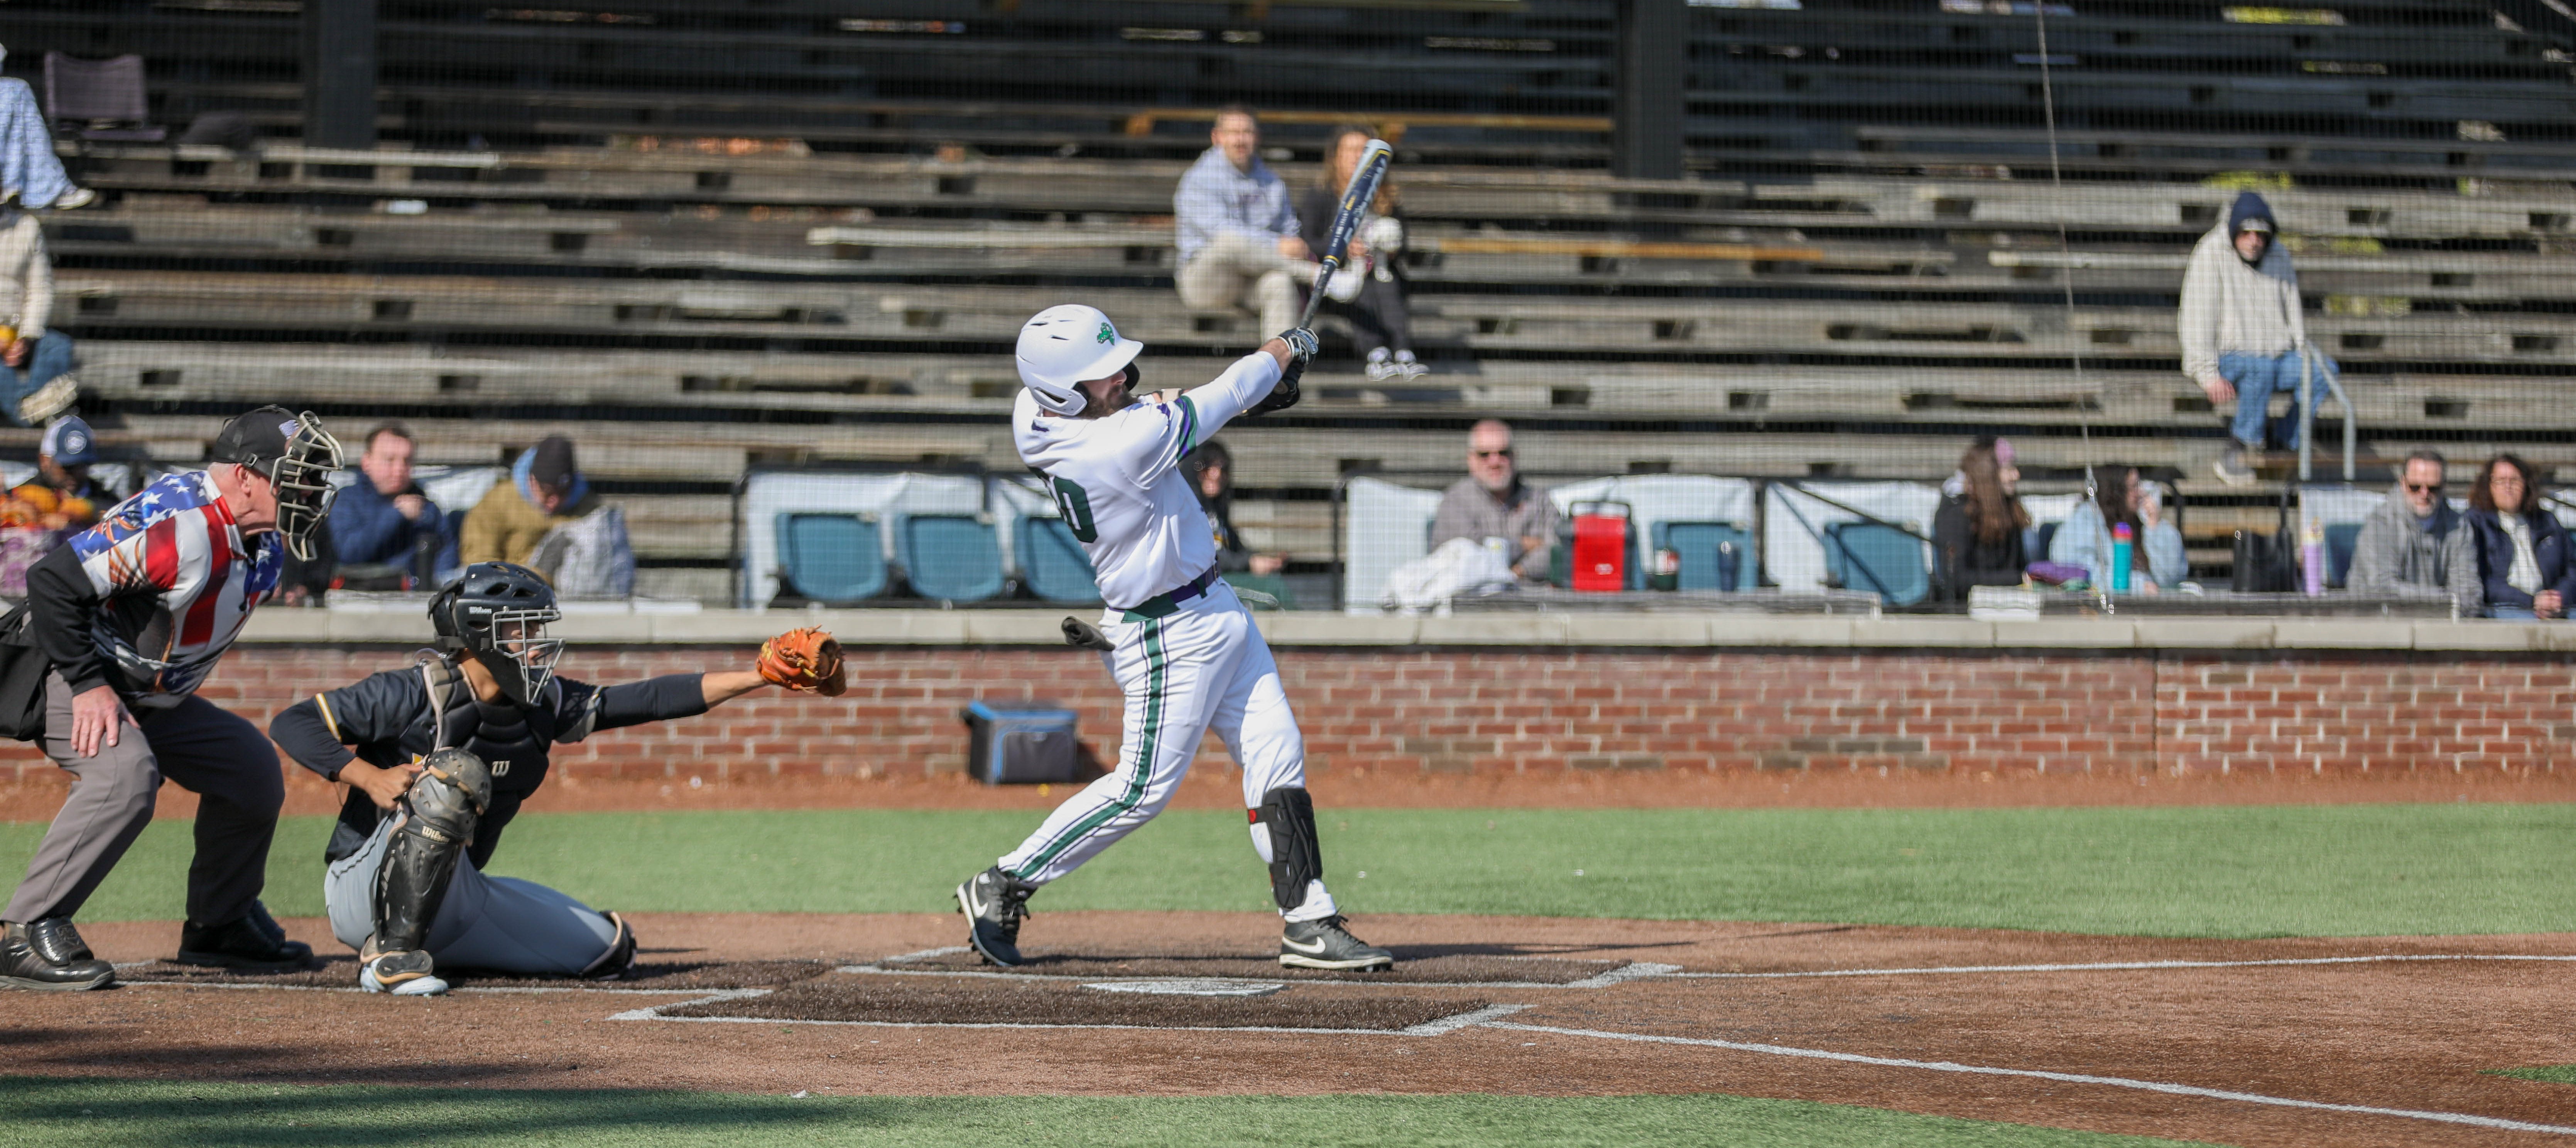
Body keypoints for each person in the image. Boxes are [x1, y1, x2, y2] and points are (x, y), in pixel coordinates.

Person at [956, 304, 1393, 972]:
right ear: (1064, 391)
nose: (1123, 377)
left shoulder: (1040, 415)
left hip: (1215, 607)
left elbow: (1164, 402)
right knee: (1141, 789)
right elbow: (1225, 394)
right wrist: (1285, 347)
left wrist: (1254, 380)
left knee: (1277, 751)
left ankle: (1307, 917)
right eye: (1103, 375)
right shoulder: (1116, 445)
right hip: (1167, 633)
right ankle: (1003, 882)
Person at [268, 564, 846, 995]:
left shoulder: (540, 700)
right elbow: (291, 722)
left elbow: (642, 700)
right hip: (360, 889)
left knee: (608, 952)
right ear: (481, 636)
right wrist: (367, 776)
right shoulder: (412, 690)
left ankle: (430, 945)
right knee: (453, 775)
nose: (537, 643)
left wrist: (757, 676)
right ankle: (388, 959)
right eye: (523, 630)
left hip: (456, 895)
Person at [0, 407, 343, 991]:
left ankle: (219, 922)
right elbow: (53, 581)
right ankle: (26, 928)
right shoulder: (180, 521)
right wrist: (88, 686)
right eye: (296, 474)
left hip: (144, 692)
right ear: (244, 475)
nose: (309, 490)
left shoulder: (265, 535)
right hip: (67, 668)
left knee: (250, 770)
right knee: (126, 775)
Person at [2181, 191, 2336, 486]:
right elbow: (2195, 317)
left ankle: (2284, 441)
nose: (2254, 241)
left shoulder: (2279, 254)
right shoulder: (2210, 252)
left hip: (2277, 356)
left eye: (2260, 234)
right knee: (2259, 368)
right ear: (2234, 231)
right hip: (2230, 358)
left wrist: (2301, 348)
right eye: (2247, 233)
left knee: (2324, 371)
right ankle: (2238, 448)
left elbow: (2292, 308)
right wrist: (2206, 374)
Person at [1173, 106, 1319, 338]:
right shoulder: (1199, 179)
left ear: (1257, 137)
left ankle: (1279, 371)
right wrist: (1276, 244)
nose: (1240, 140)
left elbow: (1288, 228)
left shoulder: (1271, 181)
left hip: (1252, 280)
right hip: (1208, 282)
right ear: (1217, 137)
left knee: (1280, 283)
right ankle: (1315, 276)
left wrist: (1293, 243)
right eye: (1233, 133)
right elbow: (1220, 234)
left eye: (1247, 132)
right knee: (1229, 241)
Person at [1297, 124, 1420, 381]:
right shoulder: (1319, 196)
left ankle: (1403, 352)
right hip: (1335, 279)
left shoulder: (1385, 198)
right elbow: (1307, 243)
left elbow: (1404, 246)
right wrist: (1342, 247)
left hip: (1379, 273)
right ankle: (1375, 353)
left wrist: (1392, 248)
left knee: (1386, 283)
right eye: (1350, 150)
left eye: (1363, 151)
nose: (1357, 157)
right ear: (1336, 157)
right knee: (1361, 284)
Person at [459, 435, 633, 598]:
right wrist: (526, 583)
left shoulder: (589, 510)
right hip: (508, 596)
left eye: (562, 492)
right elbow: (480, 559)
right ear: (532, 480)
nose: (555, 501)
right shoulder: (500, 501)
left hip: (568, 599)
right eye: (547, 491)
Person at [1430, 419, 1560, 583]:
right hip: (1471, 600)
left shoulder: (1539, 500)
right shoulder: (1455, 500)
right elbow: (1460, 554)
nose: (1495, 462)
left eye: (1503, 453)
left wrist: (1518, 573)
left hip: (1533, 598)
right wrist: (1523, 544)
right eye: (1485, 455)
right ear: (1471, 459)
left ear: (1514, 456)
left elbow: (1558, 550)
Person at [2447, 454, 2573, 620]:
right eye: (2500, 480)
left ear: (2527, 485)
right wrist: (2532, 601)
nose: (2508, 486)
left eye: (2515, 480)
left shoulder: (2547, 521)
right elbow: (2482, 580)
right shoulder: (2475, 523)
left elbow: (2573, 568)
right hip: (2504, 608)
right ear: (2489, 486)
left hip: (2556, 607)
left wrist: (2558, 598)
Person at [329, 422, 444, 588]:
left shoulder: (427, 508)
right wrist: (397, 515)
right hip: (359, 597)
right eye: (389, 460)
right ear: (367, 462)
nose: (399, 469)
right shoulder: (346, 500)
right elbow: (349, 553)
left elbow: (447, 554)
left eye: (407, 461)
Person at [0, 195, 78, 428]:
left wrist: (27, 336)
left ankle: (32, 403)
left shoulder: (28, 227)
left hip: (16, 329)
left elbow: (41, 288)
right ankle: (27, 412)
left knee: (58, 345)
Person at [2049, 467, 2186, 593]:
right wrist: (2137, 586)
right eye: (2134, 487)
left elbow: (2171, 578)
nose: (2141, 493)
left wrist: (2156, 528)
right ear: (2116, 491)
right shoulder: (2083, 522)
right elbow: (2078, 574)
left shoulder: (2137, 524)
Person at [2349, 449, 2459, 599]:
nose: (2424, 494)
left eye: (2433, 488)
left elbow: (2469, 589)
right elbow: (2383, 589)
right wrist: (2444, 598)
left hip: (2440, 619)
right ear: (2403, 483)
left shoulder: (2459, 526)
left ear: (2444, 487)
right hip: (2379, 618)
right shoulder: (2379, 524)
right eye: (2415, 487)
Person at [1932, 436, 2029, 603]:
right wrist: (2017, 579)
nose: (2016, 475)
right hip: (1967, 612)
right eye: (2009, 469)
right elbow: (1957, 580)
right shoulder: (1957, 514)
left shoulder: (2012, 513)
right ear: (1988, 474)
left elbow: (2019, 566)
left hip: (2011, 606)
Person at [1182, 440, 1284, 579]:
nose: (1216, 475)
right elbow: (1199, 556)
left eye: (1222, 469)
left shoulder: (1217, 509)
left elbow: (1234, 546)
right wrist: (1247, 563)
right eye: (1206, 469)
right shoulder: (1184, 509)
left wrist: (1259, 559)